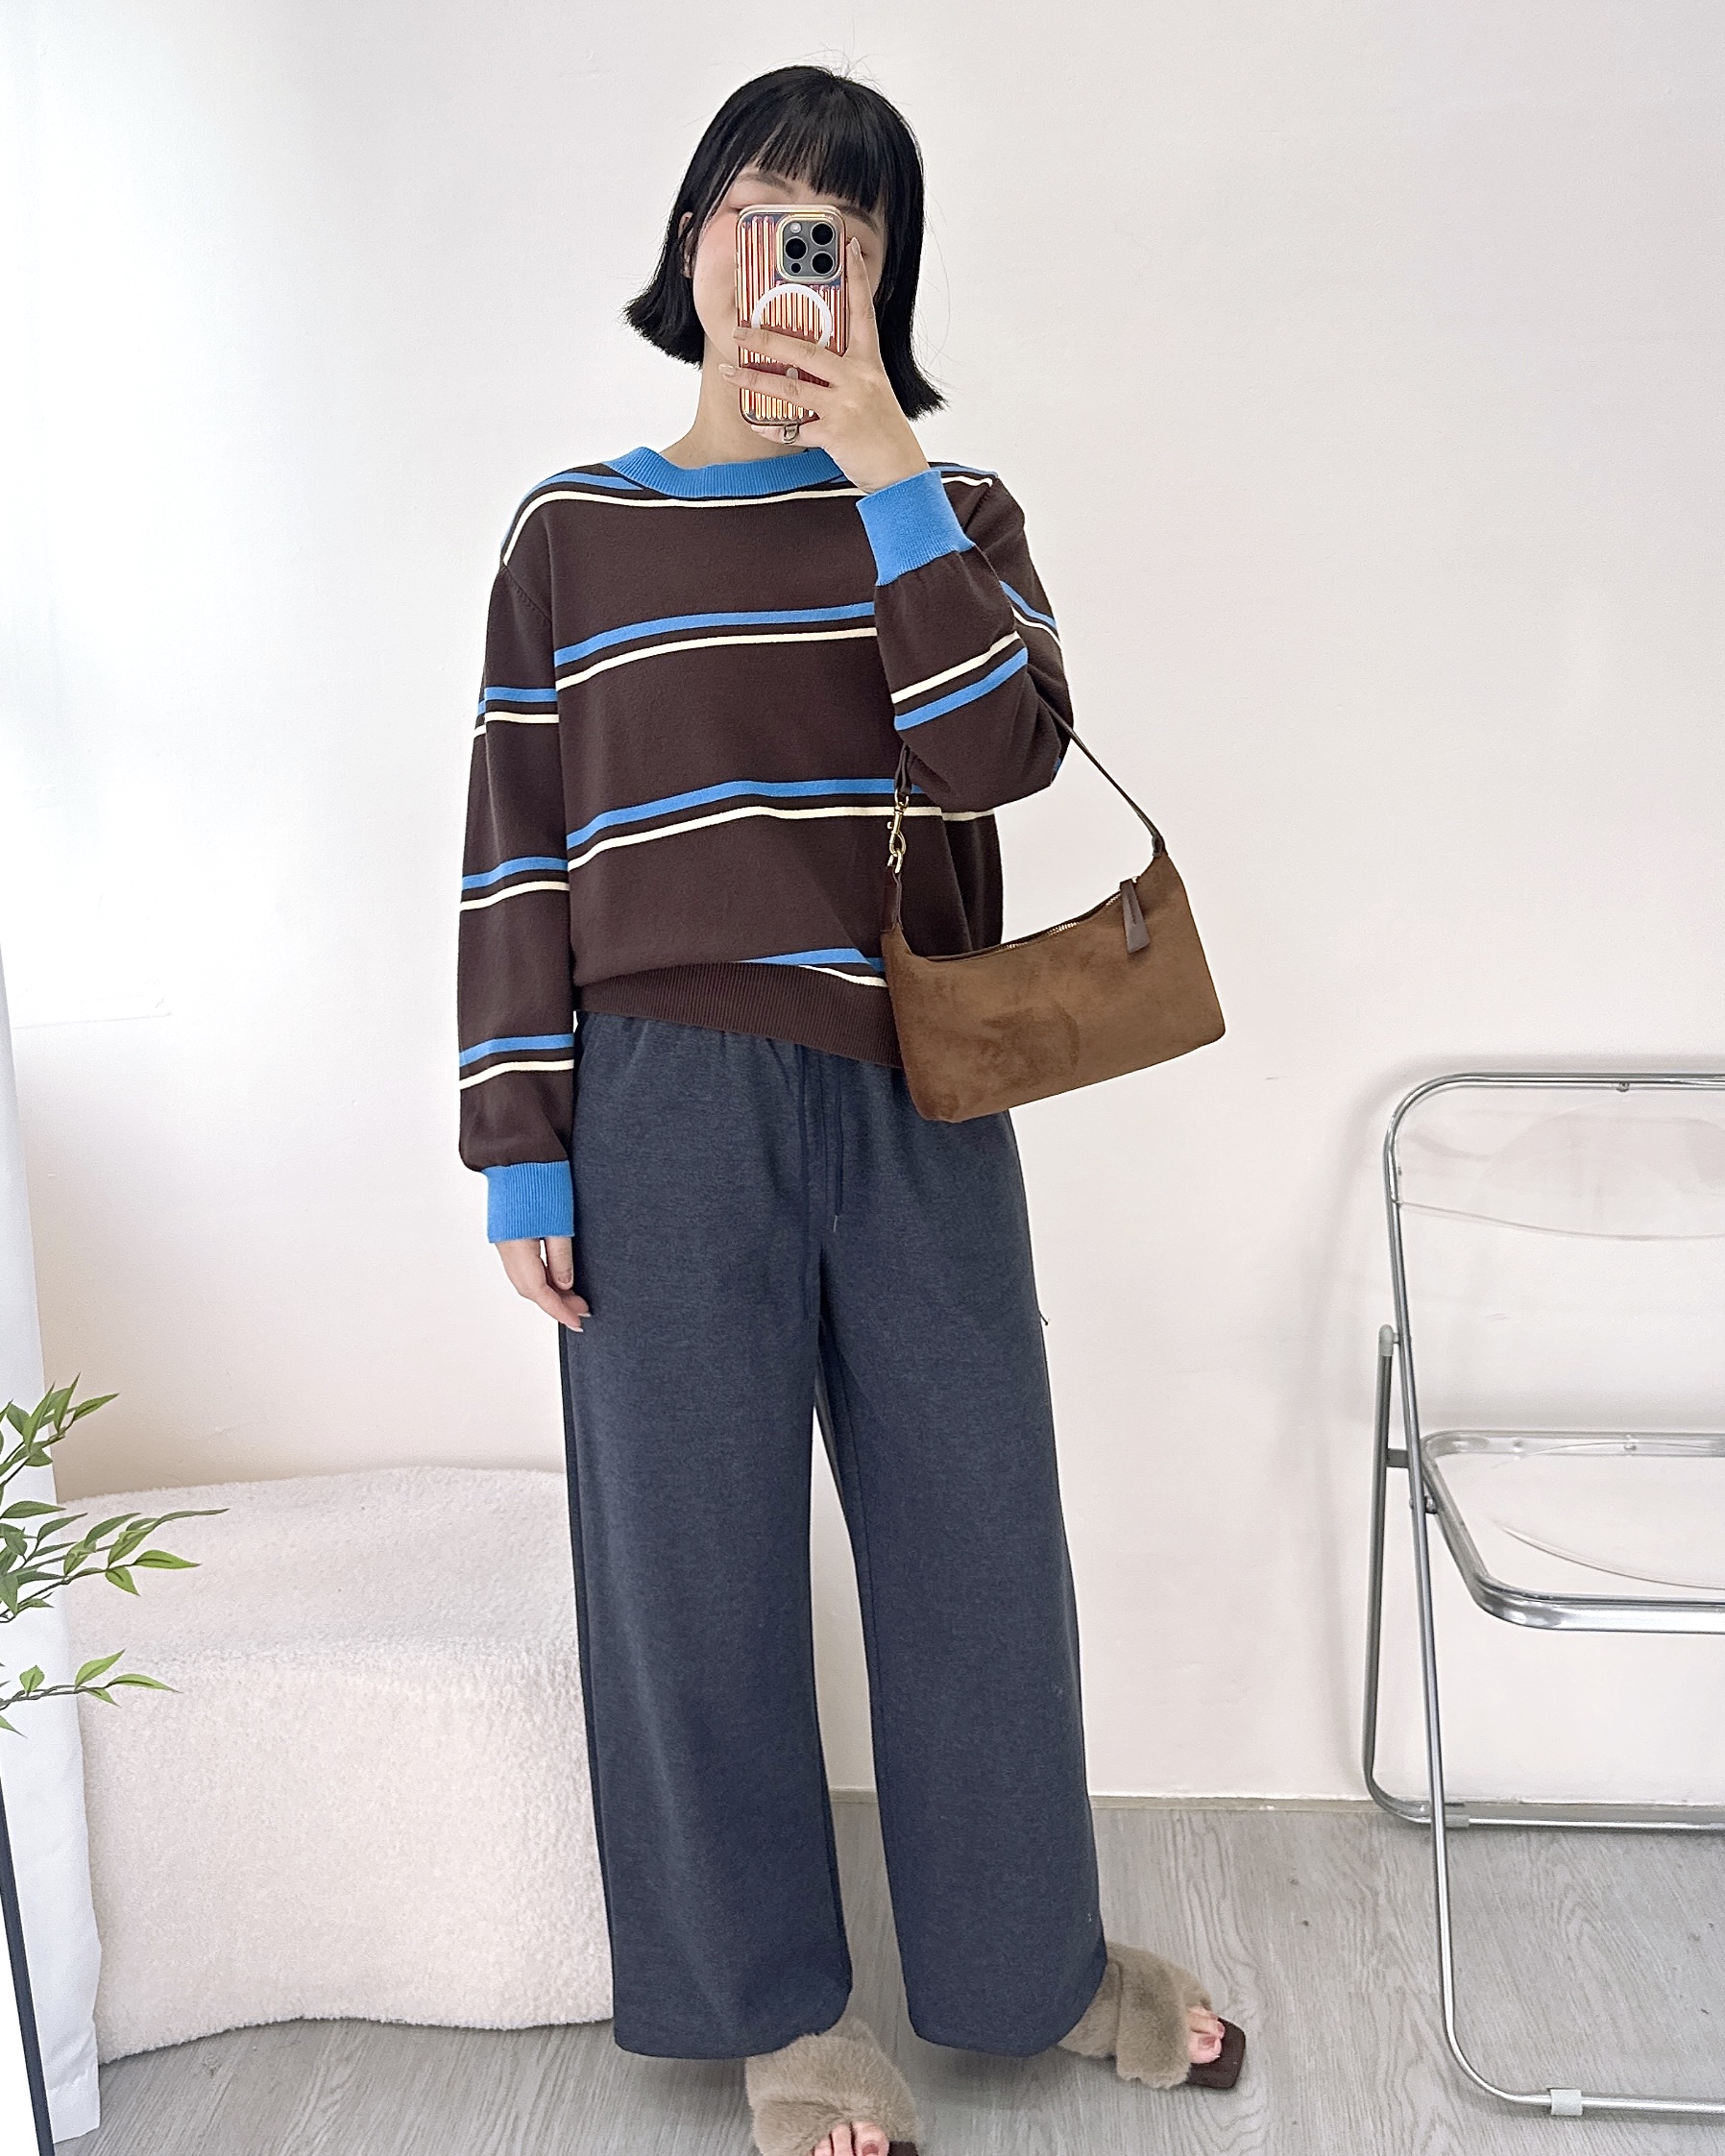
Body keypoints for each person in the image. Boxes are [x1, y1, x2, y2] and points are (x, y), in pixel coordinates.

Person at [456, 63, 1242, 2156]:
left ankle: (1029, 1966)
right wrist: (517, 1141)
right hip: (655, 1107)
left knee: (980, 1544)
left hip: (917, 1086)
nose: (793, 261)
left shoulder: (955, 510)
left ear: (882, 280)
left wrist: (885, 459)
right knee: (690, 1578)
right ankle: (780, 2019)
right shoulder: (573, 532)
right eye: (762, 211)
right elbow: (515, 843)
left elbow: (999, 759)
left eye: (845, 233)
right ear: (692, 241)